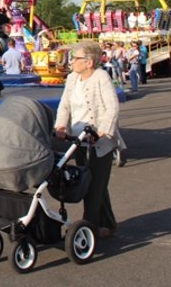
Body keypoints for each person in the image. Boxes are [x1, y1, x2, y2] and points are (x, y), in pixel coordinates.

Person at [54, 40, 124, 239]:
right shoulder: (71, 79)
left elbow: (112, 106)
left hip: (99, 142)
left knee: (94, 186)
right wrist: (60, 125)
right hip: (78, 139)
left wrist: (103, 131)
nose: (72, 62)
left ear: (89, 62)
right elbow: (64, 105)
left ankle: (88, 228)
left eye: (75, 58)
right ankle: (108, 223)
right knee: (91, 182)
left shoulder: (101, 77)